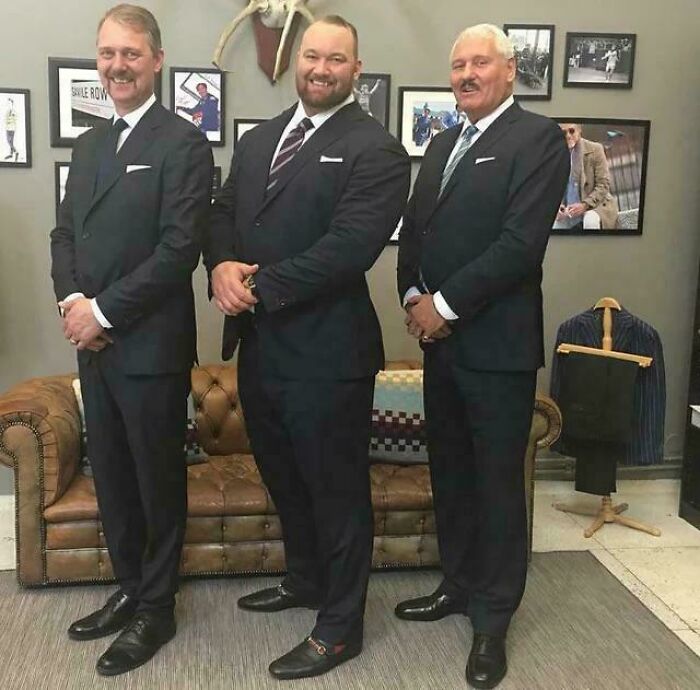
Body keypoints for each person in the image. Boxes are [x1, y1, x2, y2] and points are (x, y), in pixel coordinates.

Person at [204, 14, 409, 681]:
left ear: (356, 68)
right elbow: (221, 209)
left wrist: (255, 286)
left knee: (336, 491)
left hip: (330, 355)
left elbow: (349, 248)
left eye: (336, 59)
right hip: (261, 349)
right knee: (285, 479)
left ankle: (340, 626)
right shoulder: (263, 138)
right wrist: (221, 266)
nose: (321, 69)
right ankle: (304, 580)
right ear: (297, 60)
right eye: (312, 56)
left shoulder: (375, 149)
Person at [395, 24, 569, 689]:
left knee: (497, 487)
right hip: (441, 349)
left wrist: (443, 305)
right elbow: (416, 231)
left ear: (509, 71)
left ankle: (493, 620)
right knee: (454, 476)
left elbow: (519, 246)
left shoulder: (538, 140)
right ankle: (459, 586)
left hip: (496, 351)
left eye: (479, 63)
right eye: (458, 64)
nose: (466, 74)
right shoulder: (442, 142)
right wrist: (413, 292)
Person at [50, 3, 213, 677]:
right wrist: (71, 303)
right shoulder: (89, 144)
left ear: (156, 61)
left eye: (131, 54)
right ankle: (130, 588)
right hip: (94, 347)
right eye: (108, 53)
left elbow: (179, 253)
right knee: (112, 478)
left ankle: (157, 608)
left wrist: (104, 312)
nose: (117, 66)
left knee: (155, 480)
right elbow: (63, 235)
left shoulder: (183, 144)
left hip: (148, 347)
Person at [554, 123, 619, 231]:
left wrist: (584, 205)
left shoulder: (595, 149)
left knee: (590, 221)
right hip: (569, 212)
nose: (568, 135)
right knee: (555, 226)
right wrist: (558, 206)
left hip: (596, 207)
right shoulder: (557, 155)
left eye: (571, 131)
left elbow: (603, 184)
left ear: (579, 130)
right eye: (563, 133)